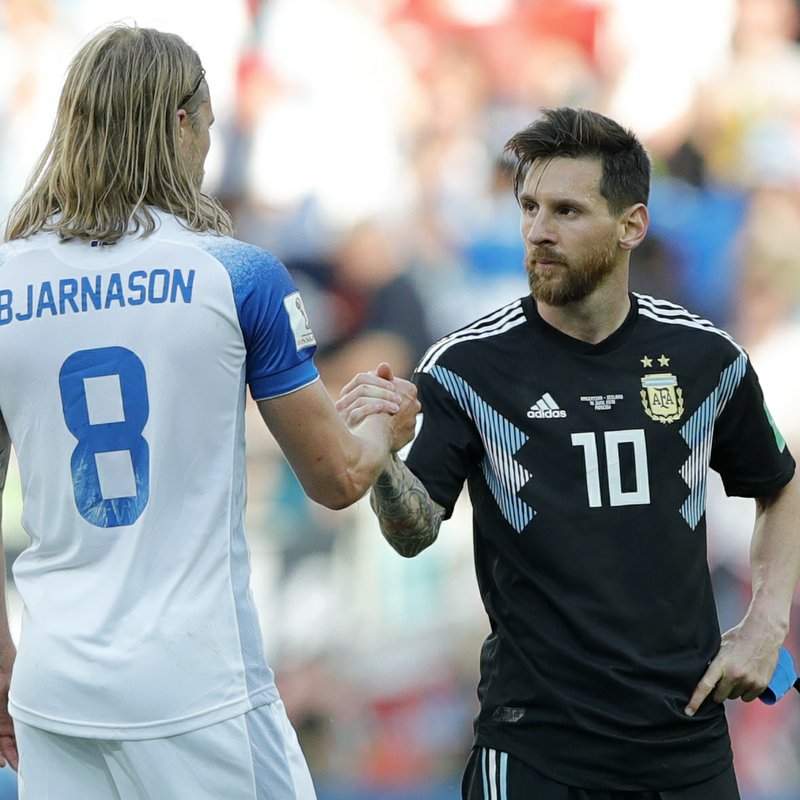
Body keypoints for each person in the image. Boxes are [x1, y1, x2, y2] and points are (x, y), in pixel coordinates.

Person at [0, 24, 418, 800]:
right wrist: (386, 423)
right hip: (196, 687)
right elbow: (337, 477)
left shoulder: (6, 283)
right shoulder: (235, 274)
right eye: (211, 124)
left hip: (54, 685)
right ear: (183, 124)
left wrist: (2, 662)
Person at [336, 107, 800, 799]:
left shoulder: (706, 358)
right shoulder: (467, 367)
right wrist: (383, 464)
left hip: (685, 745)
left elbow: (781, 485)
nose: (537, 232)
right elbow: (413, 532)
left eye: (566, 211)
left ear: (631, 225)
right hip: (536, 749)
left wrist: (766, 624)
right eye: (528, 207)